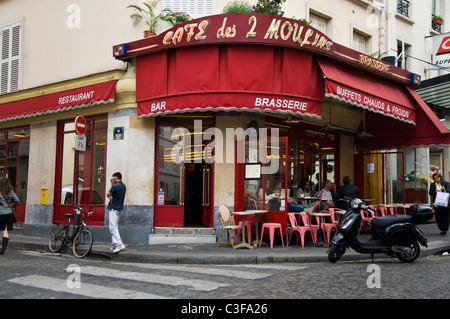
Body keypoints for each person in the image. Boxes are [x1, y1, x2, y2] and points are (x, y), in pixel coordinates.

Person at [107, 172, 127, 253]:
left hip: (113, 208)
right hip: (119, 208)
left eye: (113, 178)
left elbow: (108, 193)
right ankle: (115, 244)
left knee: (112, 227)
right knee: (114, 225)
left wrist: (111, 184)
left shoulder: (115, 186)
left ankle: (119, 244)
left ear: (115, 178)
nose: (112, 179)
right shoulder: (123, 186)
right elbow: (111, 195)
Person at [0, 177, 19, 255]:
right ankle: (3, 249)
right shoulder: (11, 192)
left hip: (0, 213)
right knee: (5, 231)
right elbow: (17, 200)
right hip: (8, 213)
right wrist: (11, 206)